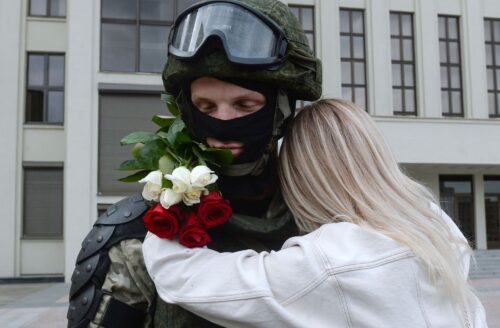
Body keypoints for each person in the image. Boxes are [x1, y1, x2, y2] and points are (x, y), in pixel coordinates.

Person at [66, 0, 322, 327]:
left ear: (282, 111)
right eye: (206, 106)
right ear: (187, 112)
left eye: (245, 104)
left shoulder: (324, 221)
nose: (224, 122)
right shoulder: (136, 238)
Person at [143, 99, 488, 328]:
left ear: (299, 176)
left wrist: (172, 194)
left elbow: (185, 278)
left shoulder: (333, 259)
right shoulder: (435, 227)